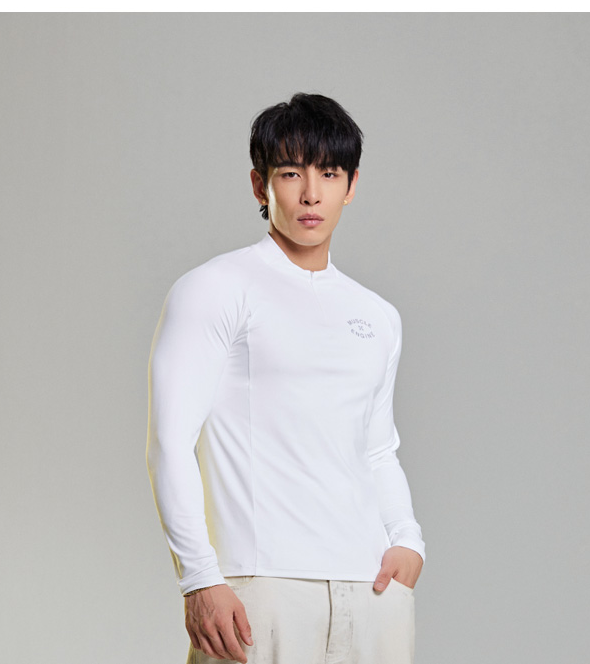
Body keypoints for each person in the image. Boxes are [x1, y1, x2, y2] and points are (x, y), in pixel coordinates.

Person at [147, 93, 425, 664]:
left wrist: (407, 538)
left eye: (330, 173)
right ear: (260, 185)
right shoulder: (216, 288)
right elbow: (170, 442)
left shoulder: (377, 315)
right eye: (291, 173)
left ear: (351, 185)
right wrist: (199, 578)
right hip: (261, 590)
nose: (311, 194)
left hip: (372, 591)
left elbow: (377, 449)